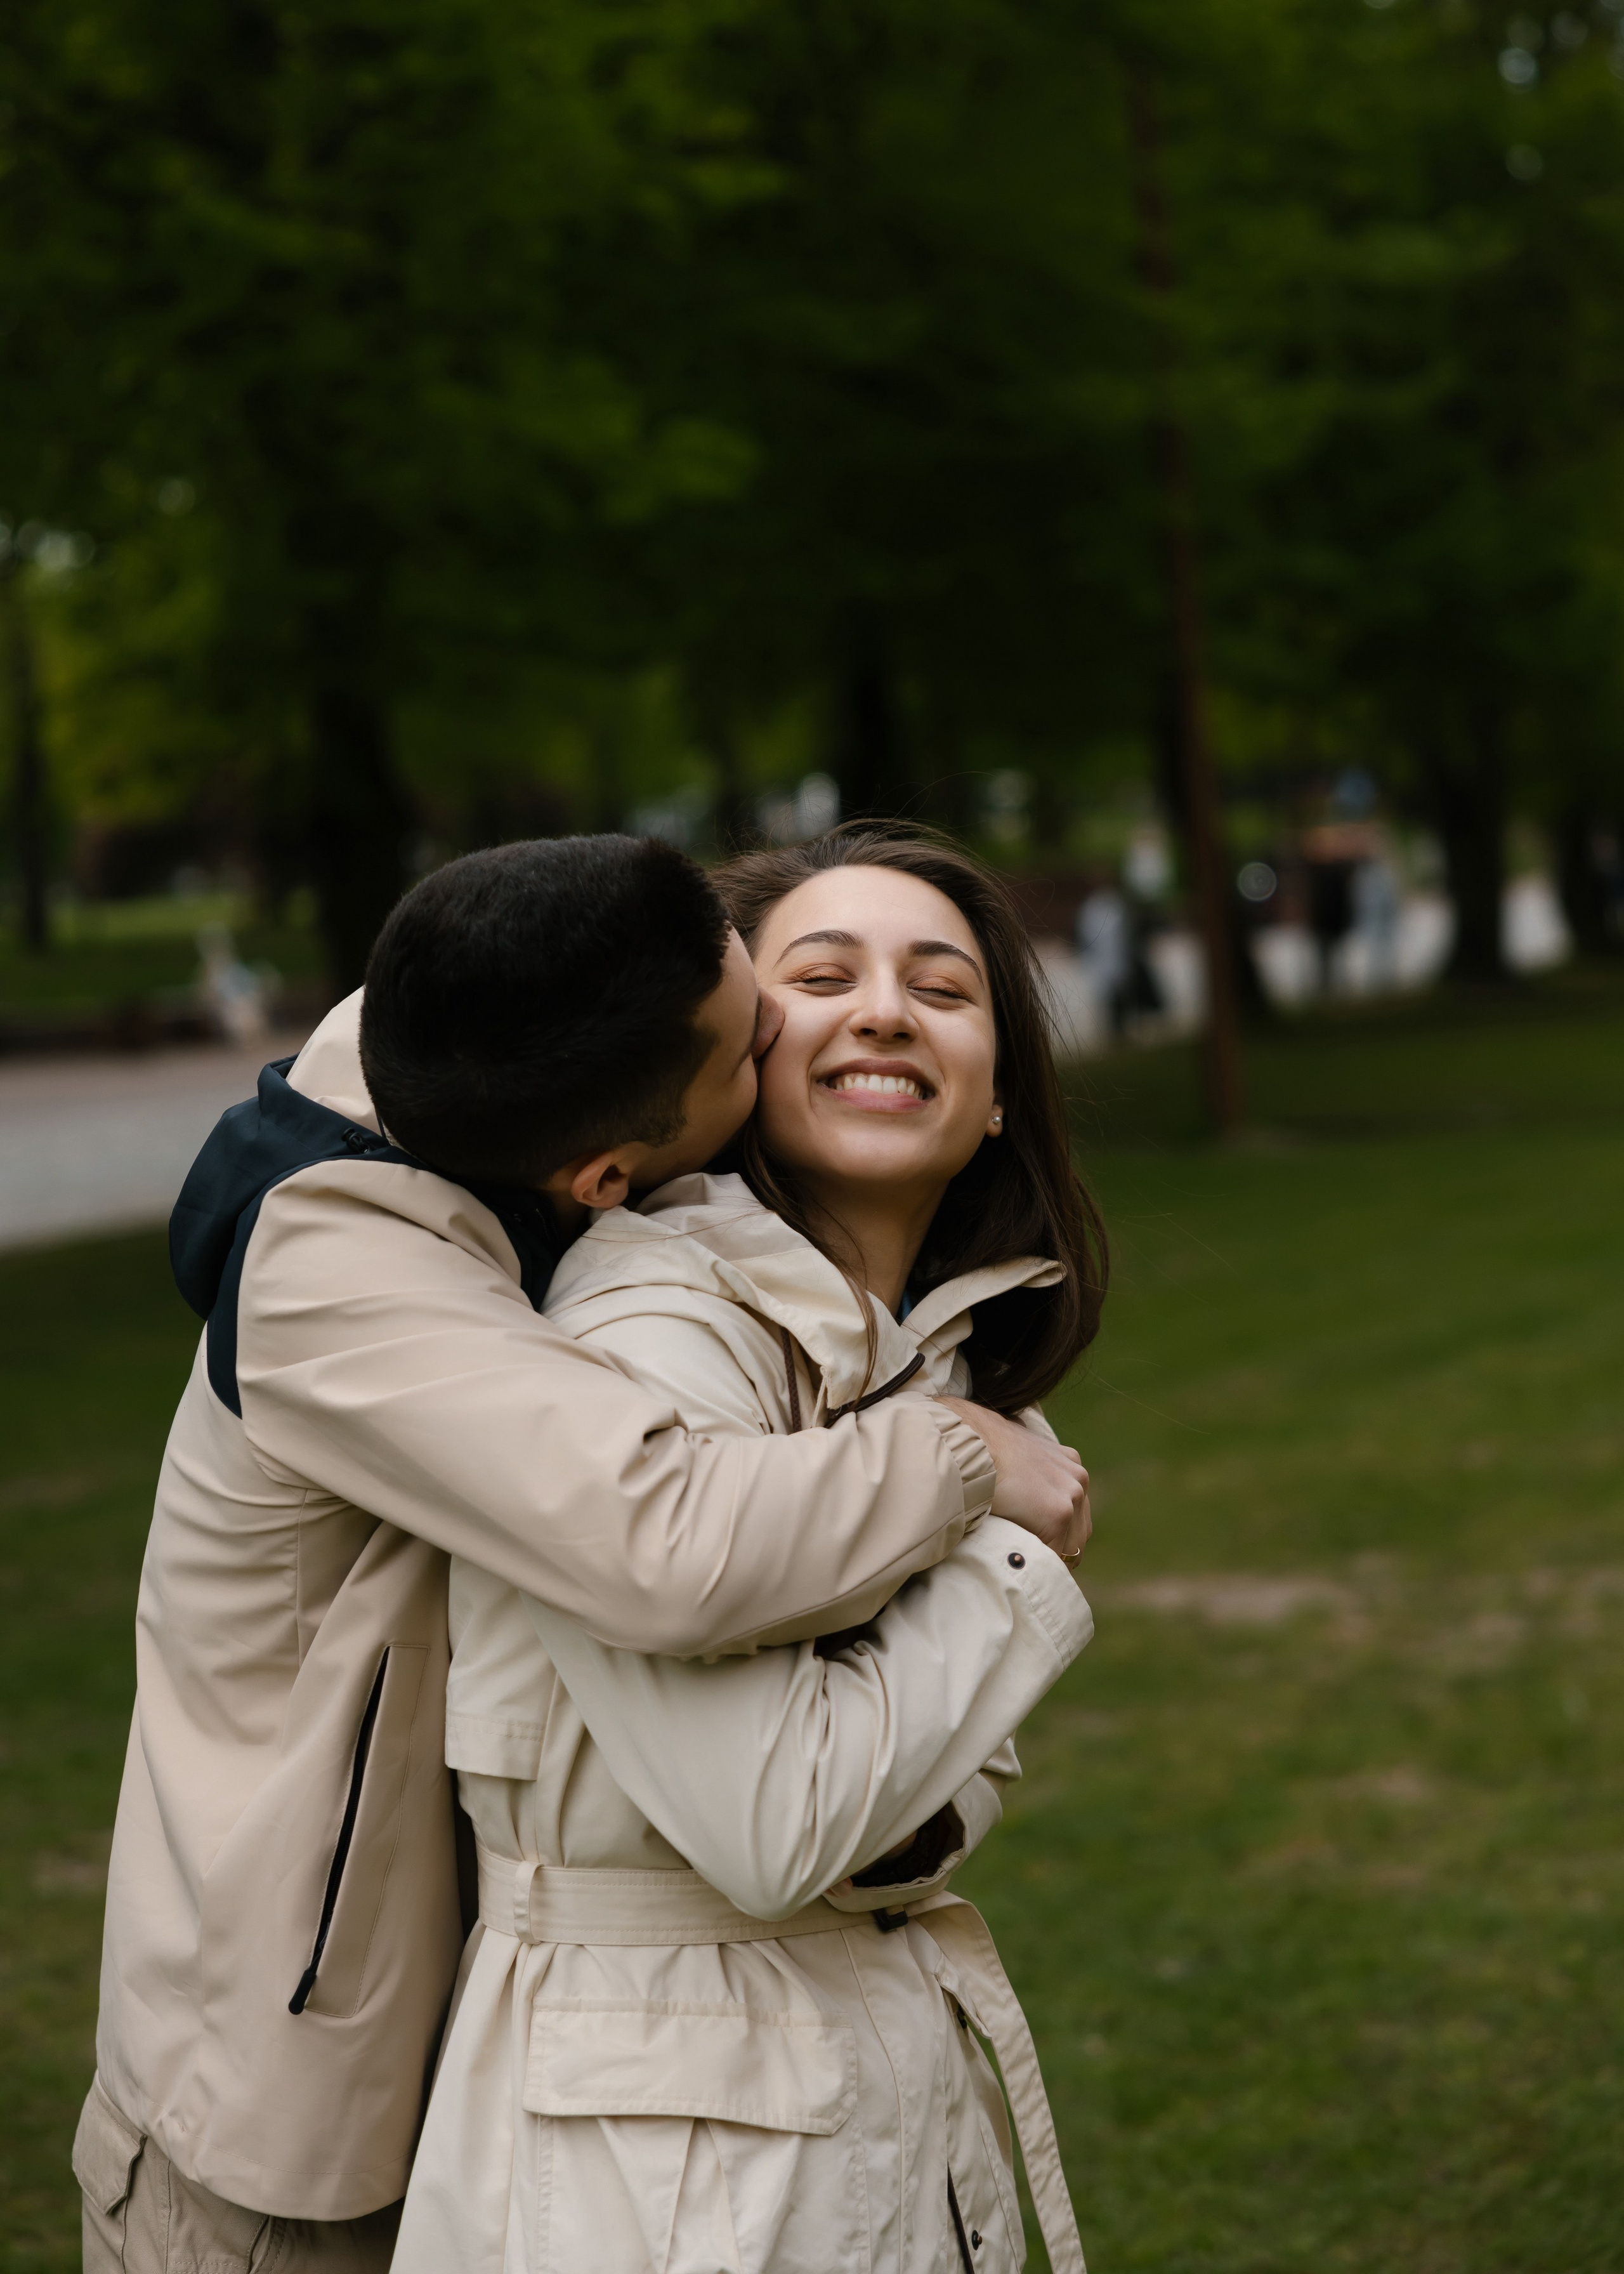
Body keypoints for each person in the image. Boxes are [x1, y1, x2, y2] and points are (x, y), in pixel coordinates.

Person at [74, 837, 1090, 2274]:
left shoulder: (555, 1068)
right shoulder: (355, 1263)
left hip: (515, 2056)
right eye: (791, 997)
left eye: (941, 988)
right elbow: (666, 1547)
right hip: (281, 2112)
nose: (863, 1015)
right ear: (620, 1162)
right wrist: (975, 1474)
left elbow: (905, 1792)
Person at [393, 828, 1108, 2274]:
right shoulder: (649, 1334)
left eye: (943, 989)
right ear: (724, 1067)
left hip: (838, 2094)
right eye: (822, 979)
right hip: (659, 2166)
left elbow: (923, 1815)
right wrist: (1006, 1557)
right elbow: (782, 1827)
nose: (886, 1011)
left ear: (994, 1102)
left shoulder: (934, 1371)